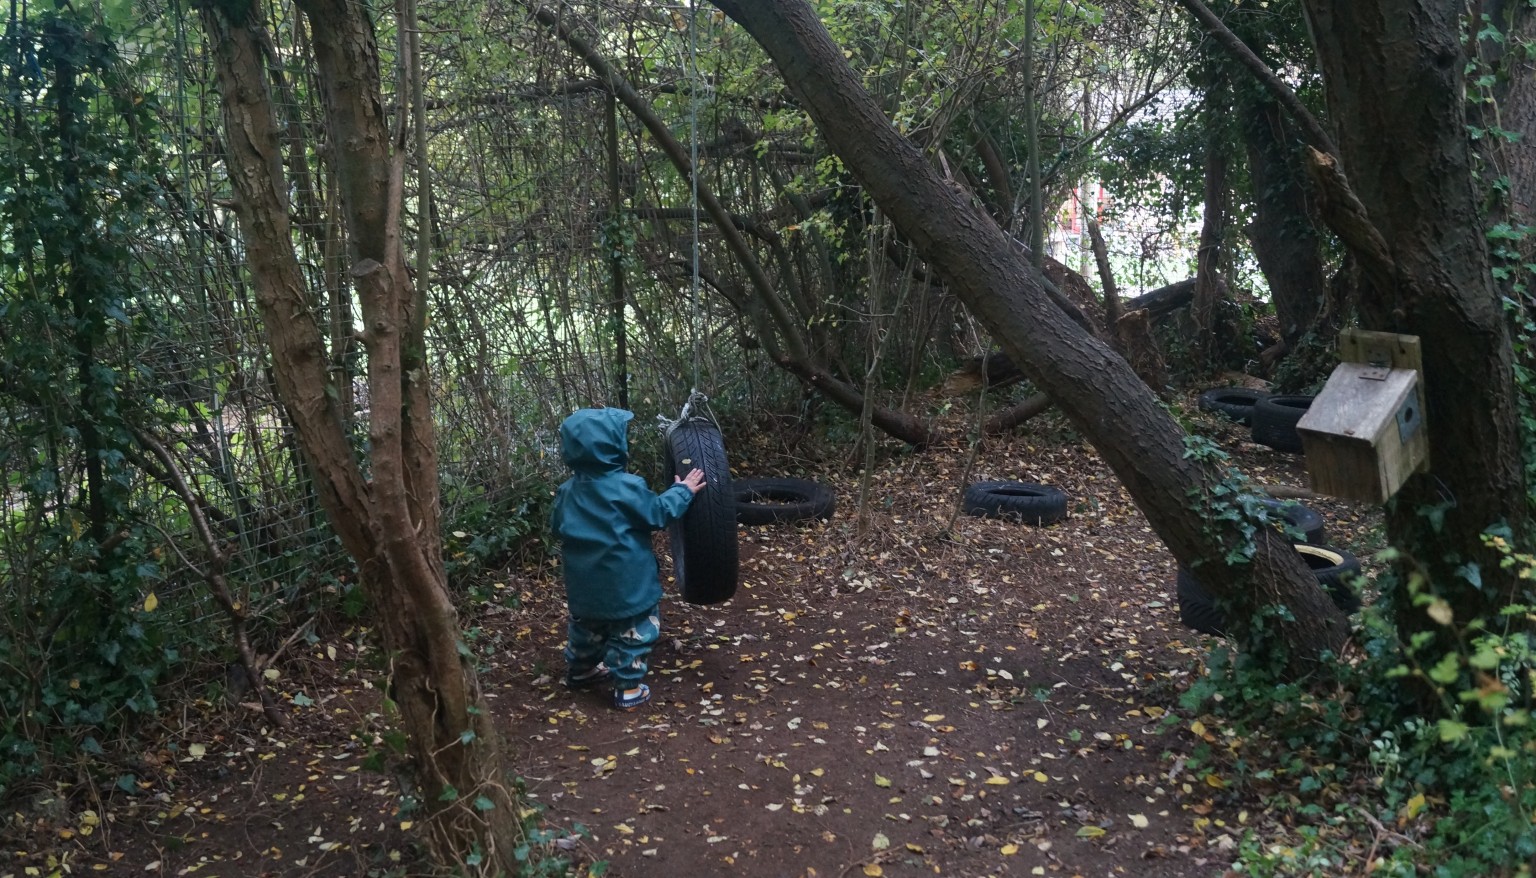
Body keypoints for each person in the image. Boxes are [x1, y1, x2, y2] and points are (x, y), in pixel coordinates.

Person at [550, 407, 706, 710]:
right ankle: (628, 688)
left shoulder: (566, 493)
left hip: (584, 588)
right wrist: (683, 490)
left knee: (585, 630)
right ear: (613, 447)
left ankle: (581, 671)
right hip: (627, 586)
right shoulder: (627, 488)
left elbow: (557, 527)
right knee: (633, 634)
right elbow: (659, 513)